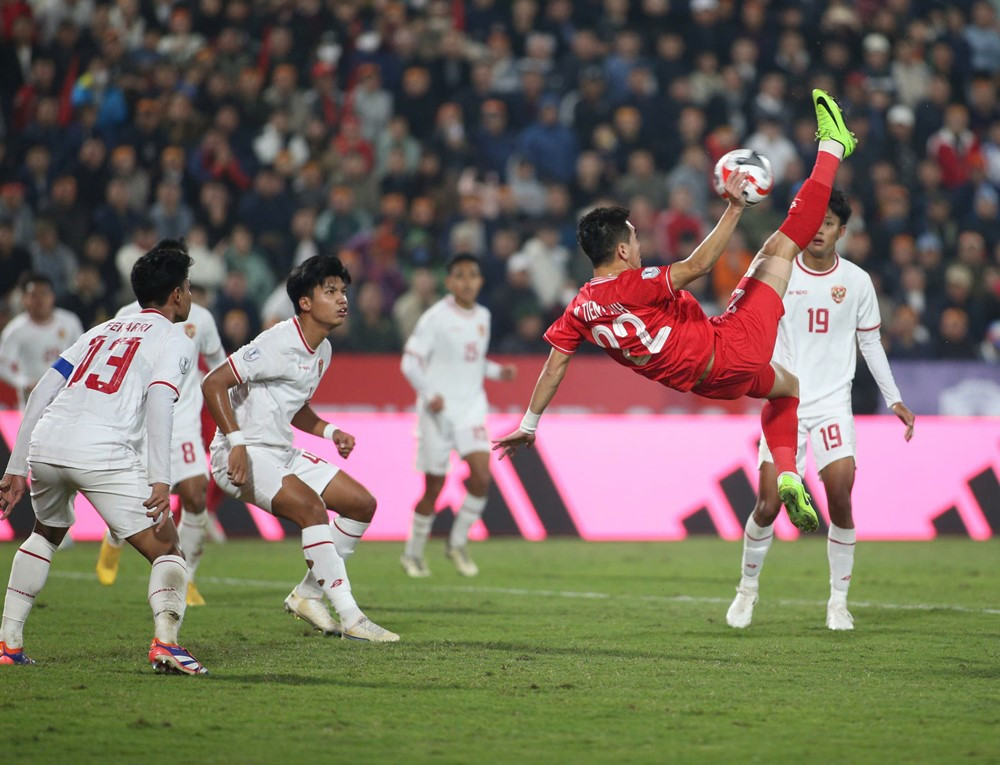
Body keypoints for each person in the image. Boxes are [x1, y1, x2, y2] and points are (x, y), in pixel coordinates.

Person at [493, 89, 857, 534]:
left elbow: (554, 367)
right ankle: (834, 145)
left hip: (710, 383)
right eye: (636, 238)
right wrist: (734, 208)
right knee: (780, 245)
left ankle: (786, 474)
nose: (641, 245)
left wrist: (529, 424)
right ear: (623, 249)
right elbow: (698, 267)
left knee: (786, 388)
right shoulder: (633, 283)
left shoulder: (579, 308)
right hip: (730, 348)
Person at [0, 243, 207, 674]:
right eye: (187, 287)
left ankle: (8, 644)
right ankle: (166, 645)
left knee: (46, 533)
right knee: (168, 548)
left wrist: (16, 465)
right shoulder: (174, 339)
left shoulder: (100, 330)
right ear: (175, 295)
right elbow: (158, 401)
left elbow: (41, 392)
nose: (190, 296)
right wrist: (160, 478)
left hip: (48, 442)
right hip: (101, 449)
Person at [725, 189, 916, 632]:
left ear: (841, 232)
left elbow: (870, 344)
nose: (819, 230)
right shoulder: (780, 272)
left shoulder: (856, 281)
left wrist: (894, 399)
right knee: (769, 504)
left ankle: (838, 603)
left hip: (832, 404)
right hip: (785, 401)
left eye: (829, 224)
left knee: (841, 499)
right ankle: (746, 591)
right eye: (815, 222)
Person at [201, 255, 398, 642]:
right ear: (305, 302)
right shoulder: (277, 341)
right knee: (312, 508)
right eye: (330, 291)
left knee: (361, 503)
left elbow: (293, 408)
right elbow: (213, 382)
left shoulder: (322, 350)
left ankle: (307, 594)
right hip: (238, 454)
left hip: (279, 451)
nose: (342, 299)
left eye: (343, 291)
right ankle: (352, 617)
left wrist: (330, 431)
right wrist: (236, 442)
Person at [96, 258, 227, 607]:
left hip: (182, 422)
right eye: (183, 284)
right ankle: (114, 538)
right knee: (137, 499)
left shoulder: (201, 320)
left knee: (197, 495)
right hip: (140, 421)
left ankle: (189, 576)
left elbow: (218, 365)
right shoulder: (126, 316)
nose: (188, 293)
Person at [399, 253, 517, 577]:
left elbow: (474, 360)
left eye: (473, 275)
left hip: (471, 409)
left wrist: (496, 371)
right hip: (437, 413)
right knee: (434, 488)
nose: (467, 281)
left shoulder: (484, 316)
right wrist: (429, 394)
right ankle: (412, 553)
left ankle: (457, 542)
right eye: (460, 276)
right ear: (449, 282)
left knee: (482, 477)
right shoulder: (435, 317)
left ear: (480, 281)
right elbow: (410, 363)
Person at [0, 273, 84, 409]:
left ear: (53, 297)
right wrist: (24, 382)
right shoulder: (15, 330)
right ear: (24, 299)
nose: (40, 299)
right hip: (32, 400)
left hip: (65, 395)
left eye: (44, 293)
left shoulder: (70, 321)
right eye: (34, 295)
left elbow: (83, 354)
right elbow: (3, 366)